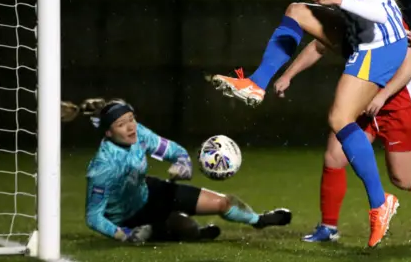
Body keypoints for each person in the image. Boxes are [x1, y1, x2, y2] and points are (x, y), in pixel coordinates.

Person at [210, 0, 407, 247]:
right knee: (296, 11)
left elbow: (375, 9)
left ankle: (380, 204)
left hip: (380, 44)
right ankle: (256, 83)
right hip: (361, 35)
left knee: (339, 118)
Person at [273, 23, 411, 242]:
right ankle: (328, 227)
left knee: (403, 178)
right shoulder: (350, 17)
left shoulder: (387, 18)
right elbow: (319, 46)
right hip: (363, 103)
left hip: (400, 107)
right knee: (334, 156)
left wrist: (383, 96)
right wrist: (288, 76)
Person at [84, 100, 292, 243]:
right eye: (122, 124)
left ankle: (259, 220)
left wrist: (183, 164)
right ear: (108, 132)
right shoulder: (103, 167)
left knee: (222, 202)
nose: (131, 127)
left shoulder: (139, 134)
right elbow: (94, 217)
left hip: (151, 190)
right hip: (130, 216)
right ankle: (191, 233)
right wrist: (124, 234)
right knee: (187, 229)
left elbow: (176, 151)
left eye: (132, 118)